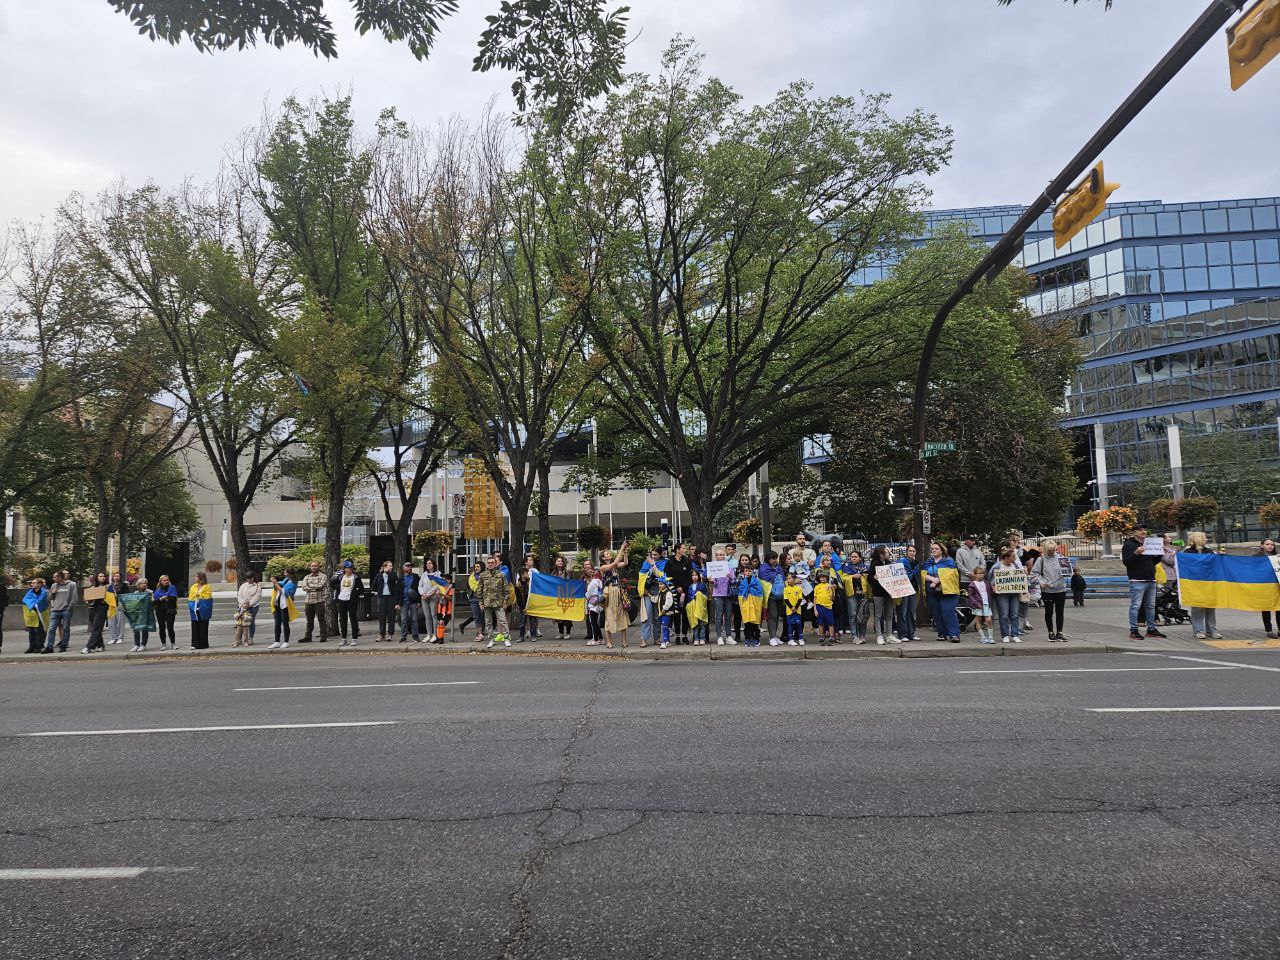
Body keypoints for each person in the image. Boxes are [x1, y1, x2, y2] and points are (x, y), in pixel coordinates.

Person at [1121, 526, 1166, 641]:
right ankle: (1134, 630)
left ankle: (1151, 629)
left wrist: (1160, 553)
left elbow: (1153, 561)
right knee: (1136, 605)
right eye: (1140, 530)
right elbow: (1126, 562)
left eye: (1145, 530)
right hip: (1137, 579)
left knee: (1151, 606)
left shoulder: (1149, 544)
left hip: (1150, 579)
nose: (1144, 531)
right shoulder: (1129, 545)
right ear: (1134, 532)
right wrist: (1136, 553)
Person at [1183, 532, 1222, 640]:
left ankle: (1212, 630)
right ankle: (1199, 630)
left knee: (1210, 607)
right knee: (1198, 607)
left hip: (1209, 583)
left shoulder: (1208, 551)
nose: (1206, 539)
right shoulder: (1187, 552)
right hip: (1195, 583)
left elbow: (1216, 562)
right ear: (1197, 539)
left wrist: (1220, 556)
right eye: (1204, 537)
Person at [922, 541, 961, 643]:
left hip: (948, 592)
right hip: (932, 592)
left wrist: (935, 582)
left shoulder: (949, 561)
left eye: (936, 549)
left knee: (948, 611)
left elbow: (950, 576)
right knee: (937, 613)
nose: (934, 550)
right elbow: (922, 574)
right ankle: (942, 633)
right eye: (933, 549)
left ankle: (954, 634)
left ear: (942, 550)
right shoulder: (928, 562)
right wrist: (931, 578)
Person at [1033, 539, 1070, 642]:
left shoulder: (1061, 558)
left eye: (1053, 550)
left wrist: (1069, 571)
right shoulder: (1041, 560)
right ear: (1045, 549)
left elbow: (1067, 571)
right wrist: (1040, 581)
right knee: (1049, 612)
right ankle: (1050, 632)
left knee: (1060, 612)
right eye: (1049, 550)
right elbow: (1034, 574)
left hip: (1060, 589)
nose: (1051, 552)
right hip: (1048, 590)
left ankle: (1060, 632)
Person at [599, 544, 631, 649]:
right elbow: (615, 563)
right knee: (609, 615)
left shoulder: (614, 566)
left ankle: (624, 640)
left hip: (618, 591)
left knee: (622, 614)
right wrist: (621, 549)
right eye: (607, 554)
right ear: (603, 558)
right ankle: (608, 641)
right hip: (609, 592)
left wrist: (625, 552)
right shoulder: (603, 567)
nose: (609, 554)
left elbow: (625, 563)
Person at [990, 547, 1024, 644]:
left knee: (1014, 615)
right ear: (1006, 558)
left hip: (1014, 594)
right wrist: (994, 586)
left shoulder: (1015, 565)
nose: (1014, 559)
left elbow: (1019, 577)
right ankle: (1005, 635)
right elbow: (990, 579)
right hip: (1002, 594)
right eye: (1013, 557)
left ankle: (1015, 634)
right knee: (1004, 615)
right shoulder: (997, 566)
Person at [477, 555, 511, 648]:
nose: (490, 564)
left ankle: (506, 638)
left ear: (496, 564)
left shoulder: (501, 575)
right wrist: (480, 602)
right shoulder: (483, 575)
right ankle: (491, 639)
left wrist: (504, 601)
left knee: (503, 620)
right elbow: (479, 589)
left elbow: (506, 589)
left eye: (492, 563)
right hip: (487, 602)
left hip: (498, 602)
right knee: (488, 622)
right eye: (489, 563)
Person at [868, 546, 898, 645]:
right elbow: (869, 578)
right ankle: (879, 636)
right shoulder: (874, 564)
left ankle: (889, 635)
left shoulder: (888, 563)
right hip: (878, 594)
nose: (888, 554)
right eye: (887, 552)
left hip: (889, 593)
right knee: (878, 615)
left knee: (889, 615)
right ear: (882, 555)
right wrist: (874, 577)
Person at [43, 569, 78, 653]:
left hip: (66, 610)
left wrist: (69, 607)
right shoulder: (54, 585)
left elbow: (74, 598)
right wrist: (53, 594)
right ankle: (49, 647)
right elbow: (49, 599)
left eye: (55, 577)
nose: (53, 578)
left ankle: (63, 645)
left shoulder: (72, 584)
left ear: (60, 577)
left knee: (66, 628)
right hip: (55, 610)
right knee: (51, 629)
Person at [637, 547, 667, 647]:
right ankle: (644, 639)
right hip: (647, 592)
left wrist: (653, 565)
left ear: (660, 554)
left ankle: (657, 638)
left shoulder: (664, 563)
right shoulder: (645, 563)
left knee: (658, 616)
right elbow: (641, 575)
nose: (653, 556)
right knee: (647, 616)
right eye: (652, 554)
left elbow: (660, 575)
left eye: (655, 555)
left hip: (658, 591)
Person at [666, 543, 693, 644]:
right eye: (683, 548)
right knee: (676, 613)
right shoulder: (670, 561)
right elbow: (668, 576)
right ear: (677, 550)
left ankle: (685, 635)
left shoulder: (687, 561)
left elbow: (689, 577)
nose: (684, 550)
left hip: (685, 592)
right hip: (674, 592)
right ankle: (677, 635)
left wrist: (683, 587)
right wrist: (676, 587)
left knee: (685, 613)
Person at [331, 561, 363, 644]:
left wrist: (355, 595)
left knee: (353, 619)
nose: (350, 569)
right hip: (342, 599)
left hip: (351, 601)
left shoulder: (356, 577)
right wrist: (338, 588)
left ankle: (354, 639)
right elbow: (332, 584)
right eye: (349, 568)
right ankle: (344, 638)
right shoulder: (341, 576)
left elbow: (361, 589)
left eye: (351, 567)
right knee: (343, 619)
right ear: (344, 569)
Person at [121, 577, 157, 651]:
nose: (144, 585)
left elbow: (153, 602)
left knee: (144, 629)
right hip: (137, 614)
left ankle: (143, 645)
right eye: (142, 583)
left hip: (146, 614)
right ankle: (136, 645)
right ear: (138, 585)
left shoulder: (150, 592)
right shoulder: (135, 593)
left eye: (145, 583)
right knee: (136, 629)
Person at [299, 560, 330, 643]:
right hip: (308, 602)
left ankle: (323, 636)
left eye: (315, 566)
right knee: (309, 621)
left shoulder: (323, 576)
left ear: (318, 567)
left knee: (321, 619)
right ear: (310, 567)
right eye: (312, 566)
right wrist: (314, 588)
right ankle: (308, 636)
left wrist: (310, 587)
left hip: (319, 601)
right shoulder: (306, 577)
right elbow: (304, 587)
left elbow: (321, 586)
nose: (314, 567)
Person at [758, 550, 785, 643]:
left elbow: (783, 577)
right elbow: (765, 579)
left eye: (775, 558)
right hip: (771, 595)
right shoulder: (764, 568)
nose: (775, 560)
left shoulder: (778, 567)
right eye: (772, 559)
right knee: (772, 616)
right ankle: (772, 637)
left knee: (777, 616)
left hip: (780, 595)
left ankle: (774, 635)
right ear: (768, 559)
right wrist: (776, 573)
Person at [710, 548, 735, 646]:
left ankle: (728, 636)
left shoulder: (729, 566)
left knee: (728, 616)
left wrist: (730, 577)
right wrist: (711, 581)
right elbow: (713, 582)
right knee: (718, 616)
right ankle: (719, 636)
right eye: (719, 555)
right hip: (718, 594)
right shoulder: (713, 567)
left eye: (723, 555)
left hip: (728, 594)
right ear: (716, 557)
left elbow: (734, 581)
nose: (722, 556)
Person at [895, 545, 919, 643]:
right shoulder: (902, 561)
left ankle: (912, 633)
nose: (912, 552)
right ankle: (903, 634)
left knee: (912, 612)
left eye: (913, 551)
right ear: (907, 552)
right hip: (904, 588)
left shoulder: (916, 563)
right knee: (903, 612)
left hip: (913, 588)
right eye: (910, 551)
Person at [370, 560, 399, 642]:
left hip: (391, 597)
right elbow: (374, 586)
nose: (391, 567)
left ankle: (390, 634)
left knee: (391, 617)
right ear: (384, 567)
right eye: (389, 566)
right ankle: (382, 635)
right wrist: (379, 592)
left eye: (391, 566)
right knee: (382, 617)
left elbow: (395, 584)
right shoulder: (379, 575)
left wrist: (388, 573)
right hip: (382, 598)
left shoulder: (393, 575)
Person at [737, 564, 766, 646]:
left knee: (755, 624)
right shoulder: (743, 582)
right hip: (746, 604)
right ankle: (748, 638)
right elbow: (741, 593)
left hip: (754, 604)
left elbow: (760, 593)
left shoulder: (756, 581)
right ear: (744, 572)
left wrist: (751, 591)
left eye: (750, 571)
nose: (748, 572)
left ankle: (756, 638)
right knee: (747, 624)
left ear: (753, 572)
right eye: (746, 571)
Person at [82, 573, 110, 654]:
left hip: (102, 608)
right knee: (96, 628)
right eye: (100, 576)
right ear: (97, 578)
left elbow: (112, 597)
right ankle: (100, 645)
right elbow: (87, 599)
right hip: (92, 608)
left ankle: (89, 647)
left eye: (104, 576)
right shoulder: (93, 588)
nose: (102, 578)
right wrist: (86, 598)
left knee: (96, 628)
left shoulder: (108, 587)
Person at [269, 570, 298, 649]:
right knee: (277, 623)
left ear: (289, 573)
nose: (284, 573)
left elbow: (284, 591)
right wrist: (274, 582)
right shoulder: (286, 580)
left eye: (285, 572)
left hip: (286, 604)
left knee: (285, 623)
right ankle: (277, 641)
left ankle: (286, 641)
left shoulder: (294, 583)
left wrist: (275, 583)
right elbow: (277, 586)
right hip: (278, 603)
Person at [968, 564, 996, 644]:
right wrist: (976, 603)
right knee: (978, 621)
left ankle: (990, 637)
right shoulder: (972, 584)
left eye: (982, 573)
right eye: (979, 573)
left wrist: (994, 591)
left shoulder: (986, 583)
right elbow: (971, 596)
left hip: (987, 604)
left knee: (989, 620)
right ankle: (983, 637)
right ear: (975, 574)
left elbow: (990, 593)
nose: (981, 575)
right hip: (978, 605)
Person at [233, 570, 262, 646]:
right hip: (242, 607)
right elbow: (239, 595)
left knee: (250, 622)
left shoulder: (257, 586)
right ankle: (239, 639)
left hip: (253, 607)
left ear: (253, 578)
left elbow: (257, 596)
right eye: (247, 578)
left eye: (250, 578)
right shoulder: (243, 585)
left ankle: (250, 638)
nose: (249, 580)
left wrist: (250, 604)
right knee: (240, 623)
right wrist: (242, 604)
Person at [1258, 539, 1279, 640]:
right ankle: (1269, 630)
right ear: (1262, 546)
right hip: (1264, 586)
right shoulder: (1256, 557)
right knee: (1266, 608)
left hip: (1276, 586)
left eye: (1272, 545)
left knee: (1279, 607)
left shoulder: (1277, 557)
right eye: (1267, 544)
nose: (1270, 546)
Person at [22, 578, 50, 654]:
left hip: (41, 613)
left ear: (39, 584)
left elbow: (41, 601)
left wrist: (33, 604)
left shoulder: (44, 592)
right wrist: (33, 604)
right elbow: (25, 600)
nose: (32, 584)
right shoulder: (30, 592)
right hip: (31, 614)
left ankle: (39, 647)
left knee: (39, 631)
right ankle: (31, 647)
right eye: (32, 583)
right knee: (31, 632)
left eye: (34, 583)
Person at [419, 558, 443, 644]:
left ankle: (435, 635)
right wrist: (422, 593)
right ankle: (428, 634)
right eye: (427, 563)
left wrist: (429, 594)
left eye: (429, 563)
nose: (428, 565)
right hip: (424, 597)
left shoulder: (437, 574)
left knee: (433, 615)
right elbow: (420, 585)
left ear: (433, 564)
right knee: (427, 616)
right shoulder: (424, 574)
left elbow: (436, 586)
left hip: (433, 597)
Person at [188, 571, 214, 650]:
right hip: (195, 609)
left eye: (196, 576)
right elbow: (191, 596)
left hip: (203, 609)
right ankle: (195, 643)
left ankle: (203, 644)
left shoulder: (207, 587)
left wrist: (200, 595)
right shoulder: (193, 586)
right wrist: (195, 597)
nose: (195, 578)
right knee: (195, 626)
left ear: (201, 578)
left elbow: (208, 596)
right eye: (195, 576)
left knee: (203, 626)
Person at [152, 574, 179, 650]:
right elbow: (154, 602)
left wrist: (165, 598)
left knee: (170, 627)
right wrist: (161, 599)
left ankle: (173, 643)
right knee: (162, 627)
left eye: (167, 580)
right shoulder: (157, 590)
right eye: (164, 580)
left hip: (170, 610)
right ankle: (163, 644)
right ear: (160, 581)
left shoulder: (172, 588)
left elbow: (174, 598)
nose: (166, 581)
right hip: (160, 611)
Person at [397, 561, 421, 643]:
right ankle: (403, 636)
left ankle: (415, 636)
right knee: (404, 620)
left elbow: (419, 589)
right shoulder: (400, 579)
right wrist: (397, 603)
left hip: (413, 601)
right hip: (403, 602)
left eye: (410, 566)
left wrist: (418, 601)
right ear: (404, 568)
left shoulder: (416, 577)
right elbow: (397, 591)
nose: (410, 568)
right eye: (407, 566)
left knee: (414, 619)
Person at [813, 570, 837, 645]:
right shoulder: (817, 587)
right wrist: (815, 609)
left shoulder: (829, 586)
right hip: (819, 606)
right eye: (820, 577)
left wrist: (832, 590)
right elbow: (815, 598)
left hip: (828, 607)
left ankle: (831, 636)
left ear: (827, 578)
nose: (822, 578)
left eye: (824, 577)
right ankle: (821, 636)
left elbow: (833, 598)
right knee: (820, 623)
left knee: (830, 623)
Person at [687, 568, 709, 646]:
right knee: (695, 624)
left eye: (696, 575)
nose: (694, 577)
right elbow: (688, 597)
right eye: (692, 575)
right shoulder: (689, 586)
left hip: (700, 607)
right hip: (693, 607)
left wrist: (700, 595)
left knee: (702, 623)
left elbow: (706, 595)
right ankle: (696, 638)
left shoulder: (702, 585)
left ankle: (702, 638)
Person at [782, 571, 805, 646]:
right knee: (790, 625)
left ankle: (800, 638)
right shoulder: (786, 589)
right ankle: (790, 639)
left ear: (794, 580)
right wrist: (792, 607)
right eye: (787, 579)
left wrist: (796, 607)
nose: (788, 580)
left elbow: (800, 599)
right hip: (789, 611)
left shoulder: (798, 589)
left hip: (797, 610)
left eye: (789, 578)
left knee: (798, 624)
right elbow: (786, 600)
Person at [465, 561, 485, 642]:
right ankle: (479, 634)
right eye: (475, 566)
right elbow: (470, 586)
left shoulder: (485, 576)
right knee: (476, 617)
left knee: (484, 616)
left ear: (482, 567)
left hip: (483, 598)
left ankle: (484, 632)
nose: (476, 568)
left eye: (478, 567)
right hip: (473, 598)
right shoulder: (471, 576)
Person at [585, 565, 604, 646]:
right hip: (599, 603)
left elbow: (588, 594)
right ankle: (601, 639)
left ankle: (595, 639)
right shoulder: (599, 581)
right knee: (596, 623)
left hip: (592, 605)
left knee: (593, 623)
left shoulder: (592, 583)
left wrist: (586, 594)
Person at [107, 572, 129, 645]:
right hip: (112, 605)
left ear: (120, 577)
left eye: (118, 576)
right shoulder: (110, 586)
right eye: (115, 576)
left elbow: (127, 595)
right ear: (113, 577)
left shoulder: (124, 585)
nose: (116, 577)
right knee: (111, 623)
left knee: (120, 622)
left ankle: (120, 638)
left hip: (120, 604)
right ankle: (113, 638)